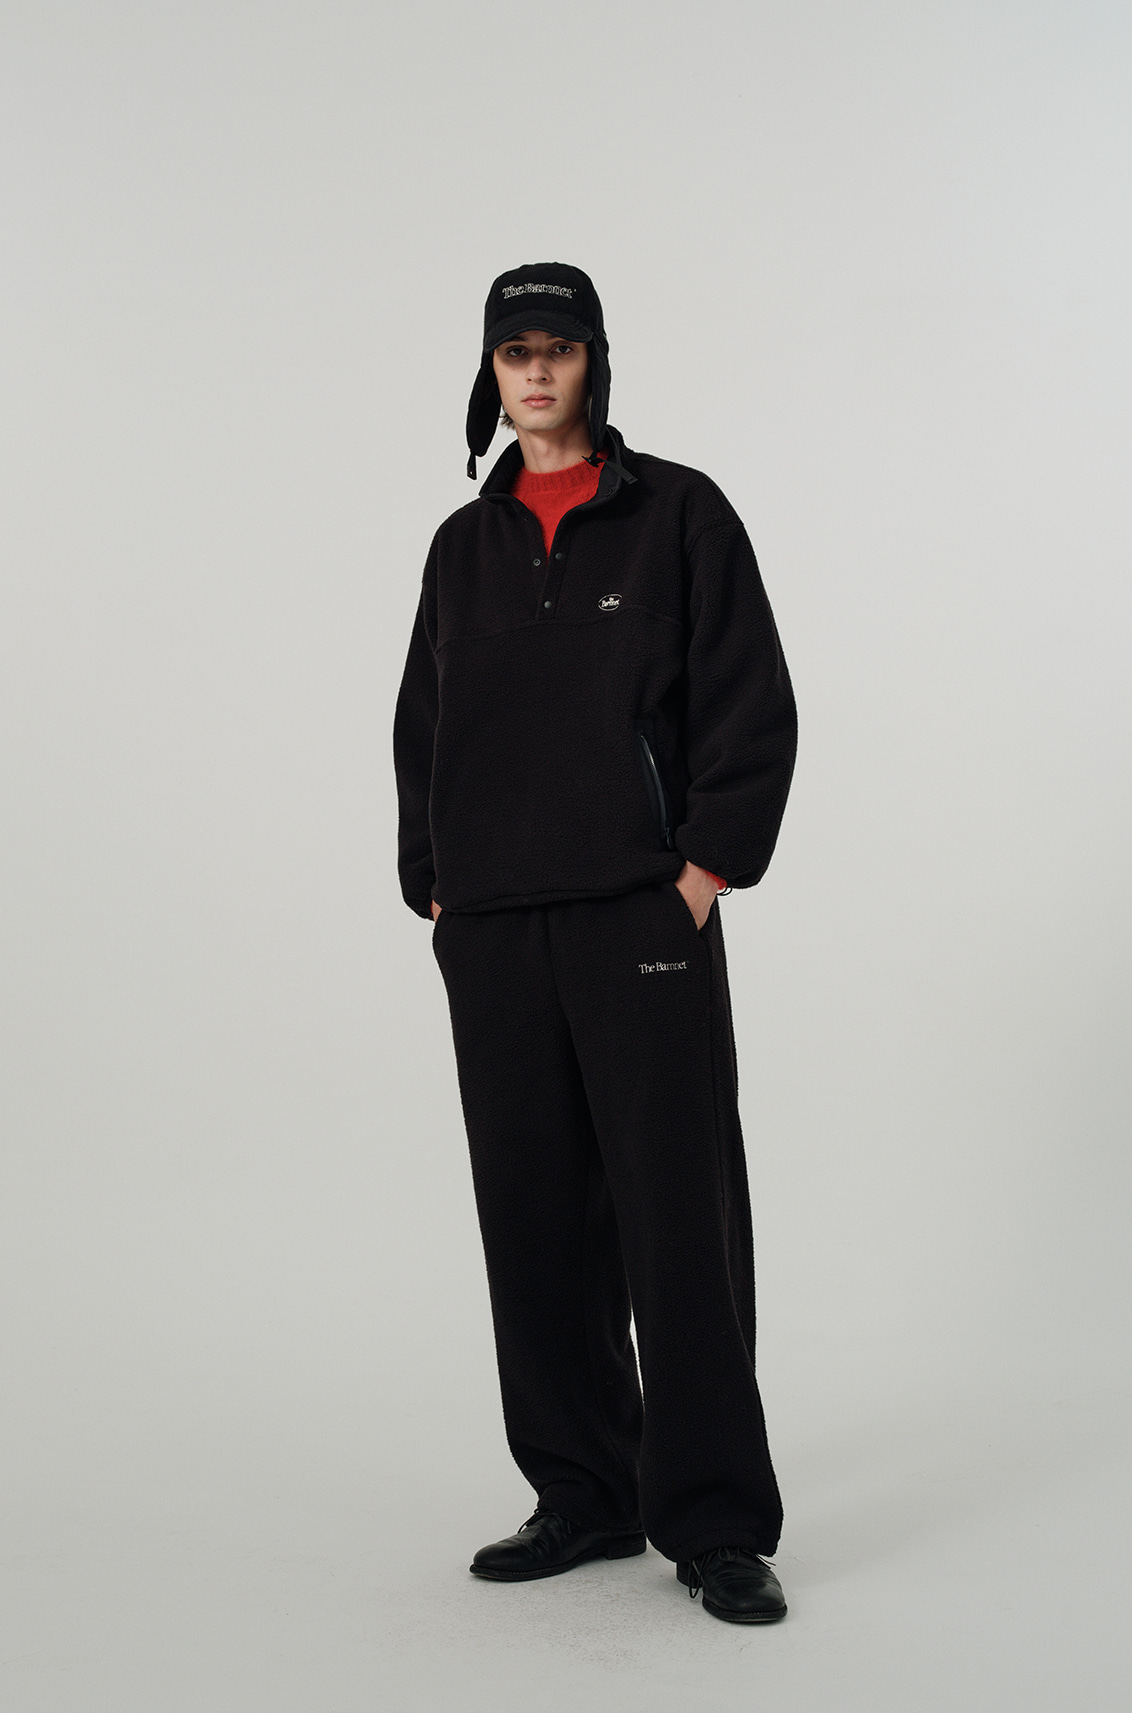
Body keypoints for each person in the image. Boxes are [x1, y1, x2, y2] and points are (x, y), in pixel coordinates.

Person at [393, 263, 798, 1625]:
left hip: (640, 914)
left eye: (556, 348)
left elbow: (751, 699)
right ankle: (583, 1491)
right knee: (532, 1217)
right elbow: (422, 726)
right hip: (497, 929)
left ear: (593, 363)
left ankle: (715, 1520)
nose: (535, 371)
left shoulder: (679, 514)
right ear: (491, 373)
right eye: (513, 350)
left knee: (678, 1215)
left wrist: (703, 869)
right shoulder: (462, 546)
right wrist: (437, 885)